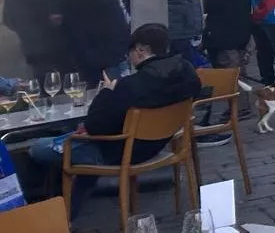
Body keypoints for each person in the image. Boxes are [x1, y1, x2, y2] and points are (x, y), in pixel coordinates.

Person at [31, 22, 201, 219]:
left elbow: (95, 125)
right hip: (158, 144)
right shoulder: (187, 72)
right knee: (83, 150)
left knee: (38, 148)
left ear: (139, 51)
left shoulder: (131, 86)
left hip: (118, 150)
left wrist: (107, 92)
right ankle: (66, 214)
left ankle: (49, 214)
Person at [202, 0, 253, 72]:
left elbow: (208, 7)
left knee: (226, 74)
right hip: (243, 40)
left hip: (223, 42)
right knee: (240, 72)